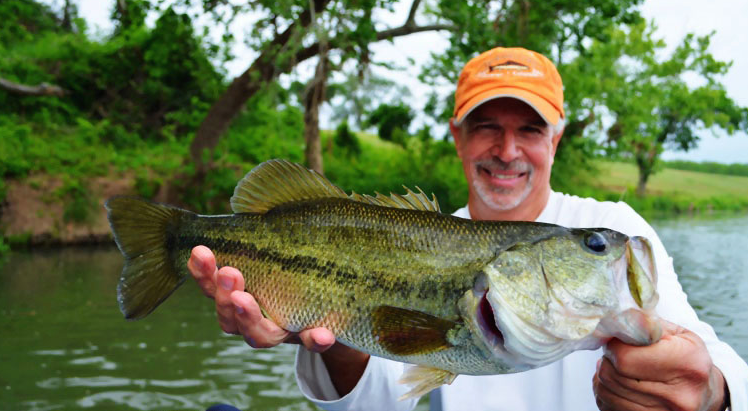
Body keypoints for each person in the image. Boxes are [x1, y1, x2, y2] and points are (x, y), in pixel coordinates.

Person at [187, 47, 748, 411]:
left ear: (555, 141)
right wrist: (317, 331)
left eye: (530, 129)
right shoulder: (423, 233)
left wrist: (710, 393)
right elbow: (377, 400)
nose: (507, 151)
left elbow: (721, 366)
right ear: (458, 137)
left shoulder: (616, 229)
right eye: (486, 127)